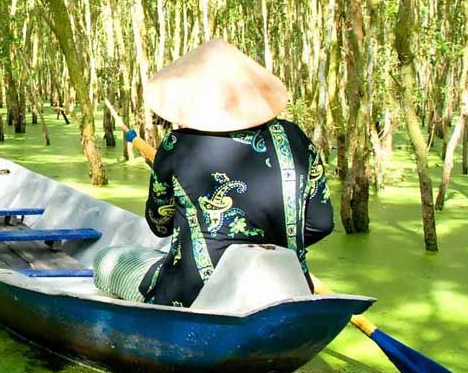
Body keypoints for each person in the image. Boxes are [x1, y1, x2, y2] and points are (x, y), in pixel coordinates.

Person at [93, 39, 333, 307]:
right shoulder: (296, 139)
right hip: (288, 291)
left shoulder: (176, 144)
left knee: (105, 259)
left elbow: (159, 224)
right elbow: (321, 224)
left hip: (194, 295)